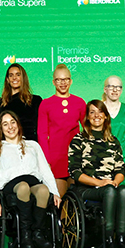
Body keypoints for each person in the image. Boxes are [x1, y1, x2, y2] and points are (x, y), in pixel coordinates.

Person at [0, 111, 61, 248]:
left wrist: (55, 192)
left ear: (18, 124)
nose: (10, 127)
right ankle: (25, 235)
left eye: (12, 122)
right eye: (5, 124)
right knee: (23, 187)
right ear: (0, 129)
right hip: (11, 186)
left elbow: (45, 171)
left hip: (33, 182)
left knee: (43, 190)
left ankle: (37, 233)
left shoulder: (33, 145)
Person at [68, 100, 125, 248]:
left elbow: (120, 168)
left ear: (106, 116)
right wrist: (100, 183)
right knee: (109, 191)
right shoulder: (78, 140)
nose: (97, 115)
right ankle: (108, 240)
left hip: (109, 186)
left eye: (100, 112)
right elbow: (74, 172)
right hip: (86, 190)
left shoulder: (113, 141)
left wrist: (116, 181)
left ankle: (121, 240)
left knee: (122, 190)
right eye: (92, 112)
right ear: (87, 117)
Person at [38, 64, 86, 197]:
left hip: (75, 156)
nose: (62, 83)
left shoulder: (80, 102)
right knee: (58, 198)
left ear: (71, 81)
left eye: (65, 79)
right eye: (59, 80)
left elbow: (88, 131)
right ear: (53, 82)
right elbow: (42, 134)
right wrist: (46, 160)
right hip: (55, 158)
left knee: (76, 199)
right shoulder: (45, 104)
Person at [0, 63, 42, 141]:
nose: (14, 78)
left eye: (18, 74)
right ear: (7, 79)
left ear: (23, 78)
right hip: (9, 147)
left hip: (31, 145)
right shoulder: (1, 103)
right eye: (11, 75)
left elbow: (42, 128)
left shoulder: (35, 100)